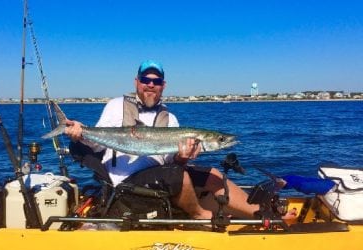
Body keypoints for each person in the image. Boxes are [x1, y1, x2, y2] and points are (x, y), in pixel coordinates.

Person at [64, 60, 281, 220]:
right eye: (145, 80)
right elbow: (98, 143)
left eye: (156, 81)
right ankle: (200, 216)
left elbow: (173, 163)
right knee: (179, 176)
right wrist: (81, 134)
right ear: (137, 82)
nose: (150, 84)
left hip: (159, 174)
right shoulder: (116, 105)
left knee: (212, 174)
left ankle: (260, 213)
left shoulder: (171, 119)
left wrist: (183, 158)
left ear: (163, 85)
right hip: (126, 180)